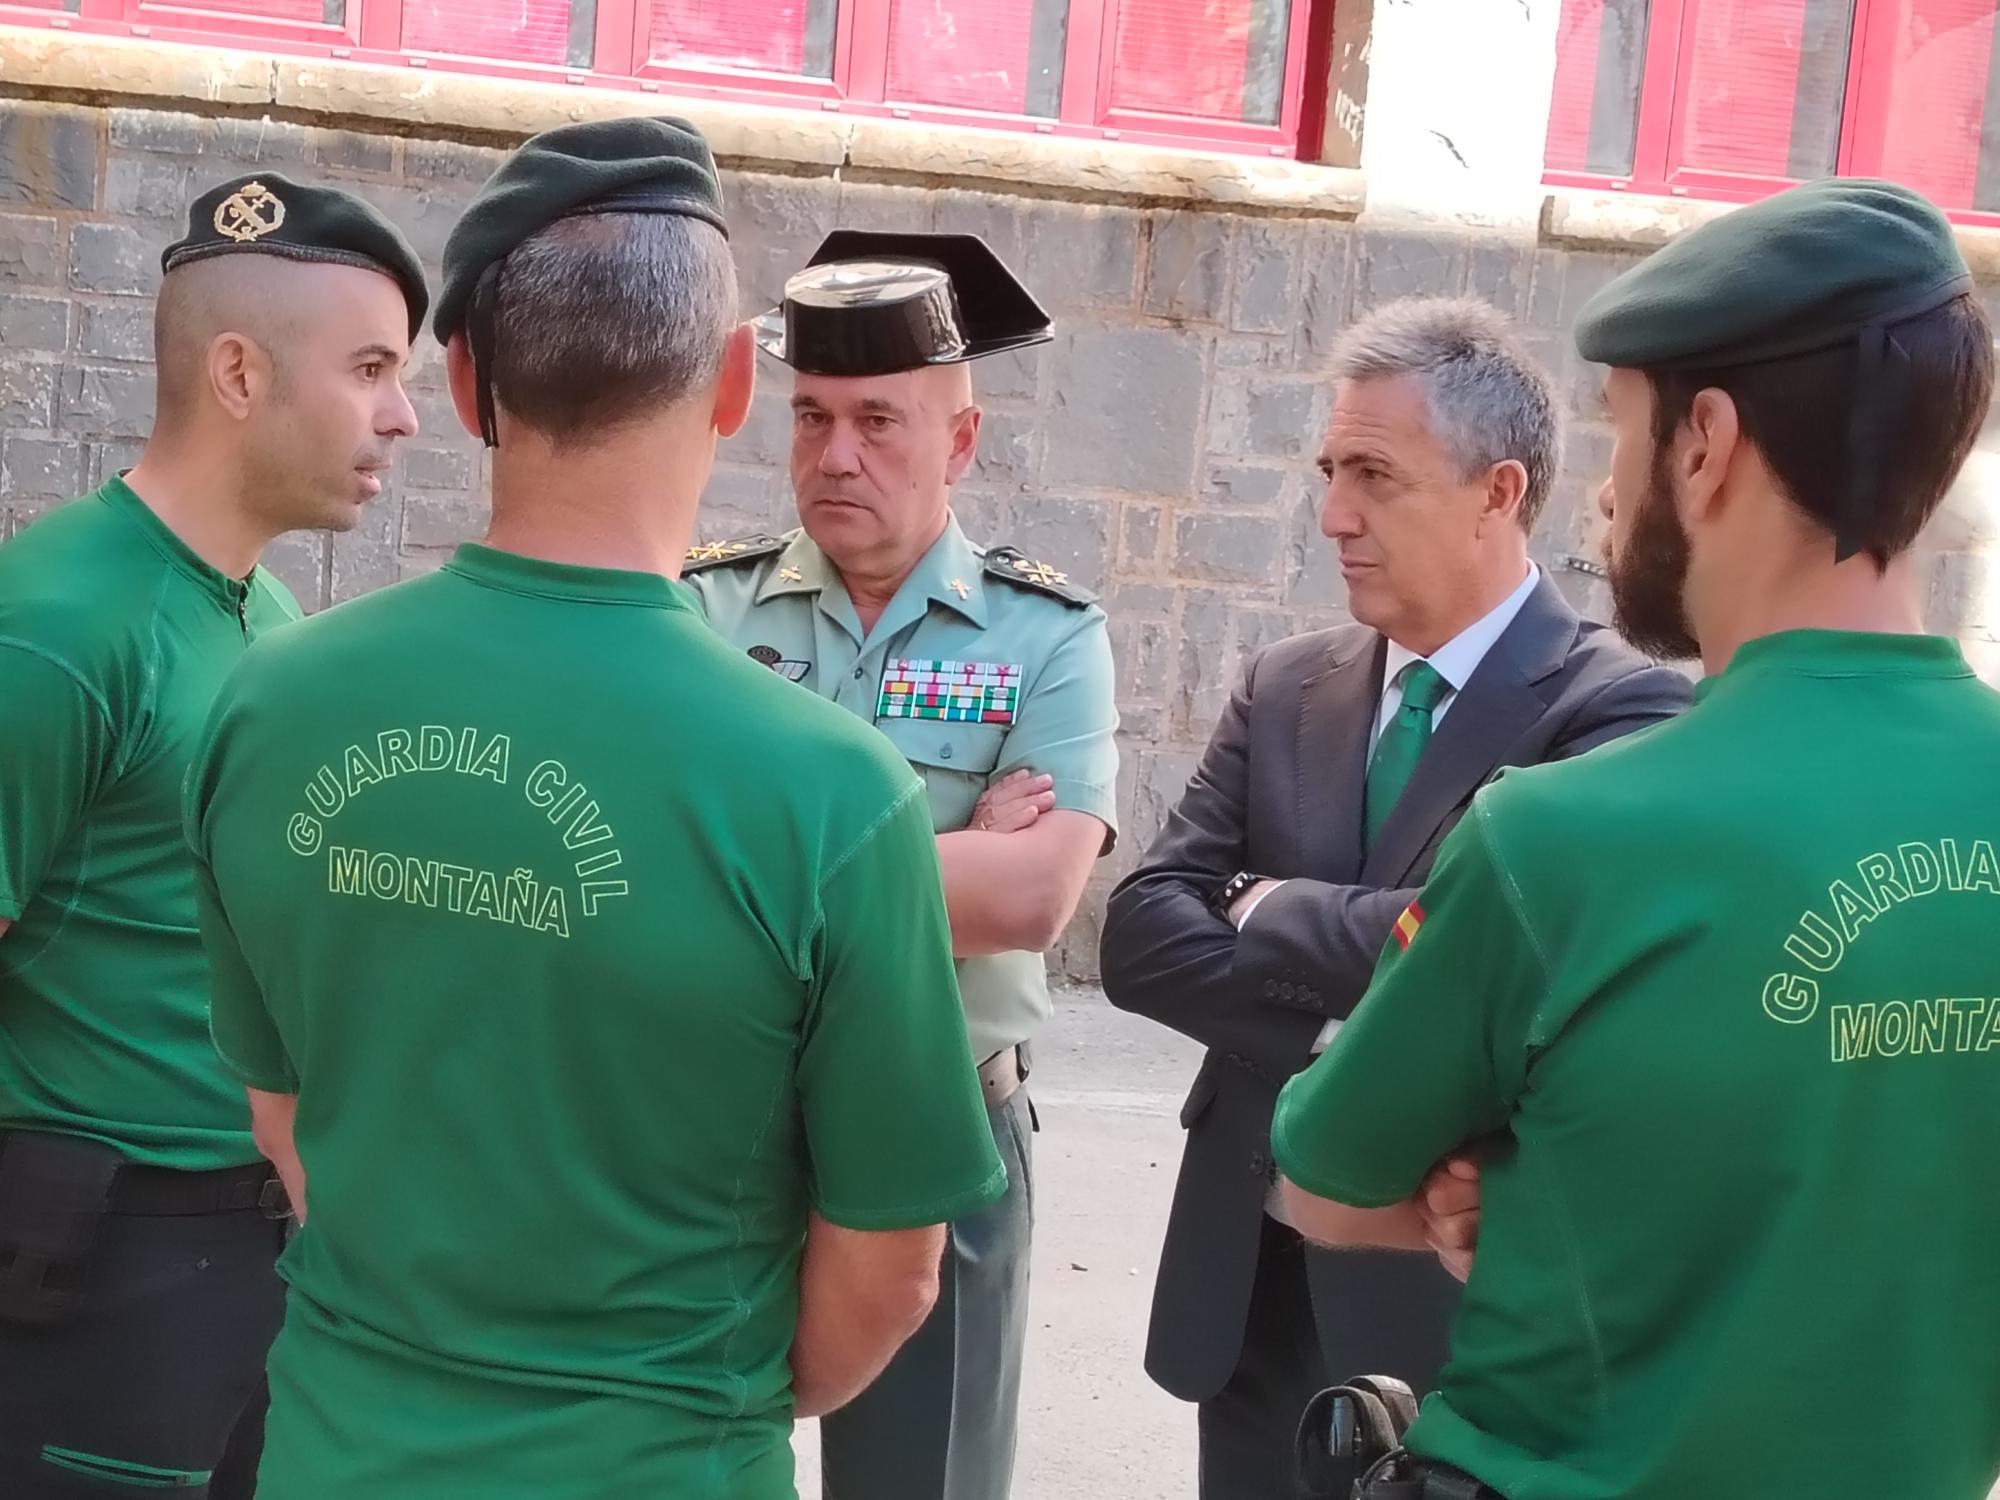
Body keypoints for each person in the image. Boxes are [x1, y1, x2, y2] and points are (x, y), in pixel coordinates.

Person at [181, 118, 1008, 1500]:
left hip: (339, 1453)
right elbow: (893, 1269)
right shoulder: (829, 789)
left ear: (461, 381)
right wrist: (679, 1391)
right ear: (740, 377)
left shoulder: (269, 703)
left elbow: (288, 1125)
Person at [1274, 179, 2000, 1500]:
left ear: (1706, 444)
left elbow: (1324, 1185)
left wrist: (1519, 1178)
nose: (1604, 498)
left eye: (1621, 432)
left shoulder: (1565, 839)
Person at [1098, 297, 1691, 1499]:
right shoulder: (1286, 685)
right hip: (1249, 1277)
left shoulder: (1615, 712)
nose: (1331, 514)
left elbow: (1518, 973)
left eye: (1372, 474)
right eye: (1328, 469)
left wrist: (1261, 903)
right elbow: (1142, 931)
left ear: (1496, 491)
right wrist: (1392, 1013)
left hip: (1443, 1302)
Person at [0, 173, 424, 1498]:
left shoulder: (271, 625)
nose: (402, 417)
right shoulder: (60, 622)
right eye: (369, 370)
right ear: (238, 374)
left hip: (262, 1247)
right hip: (96, 1265)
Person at [683, 230, 1119, 1500]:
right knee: (687, 1456)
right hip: (726, 1123)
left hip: (945, 1121)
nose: (835, 456)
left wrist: (760, 868)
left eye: (878, 420)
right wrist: (952, 857)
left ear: (961, 441)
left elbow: (1034, 897)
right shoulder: (702, 608)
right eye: (811, 417)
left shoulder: (1047, 635)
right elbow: (661, 860)